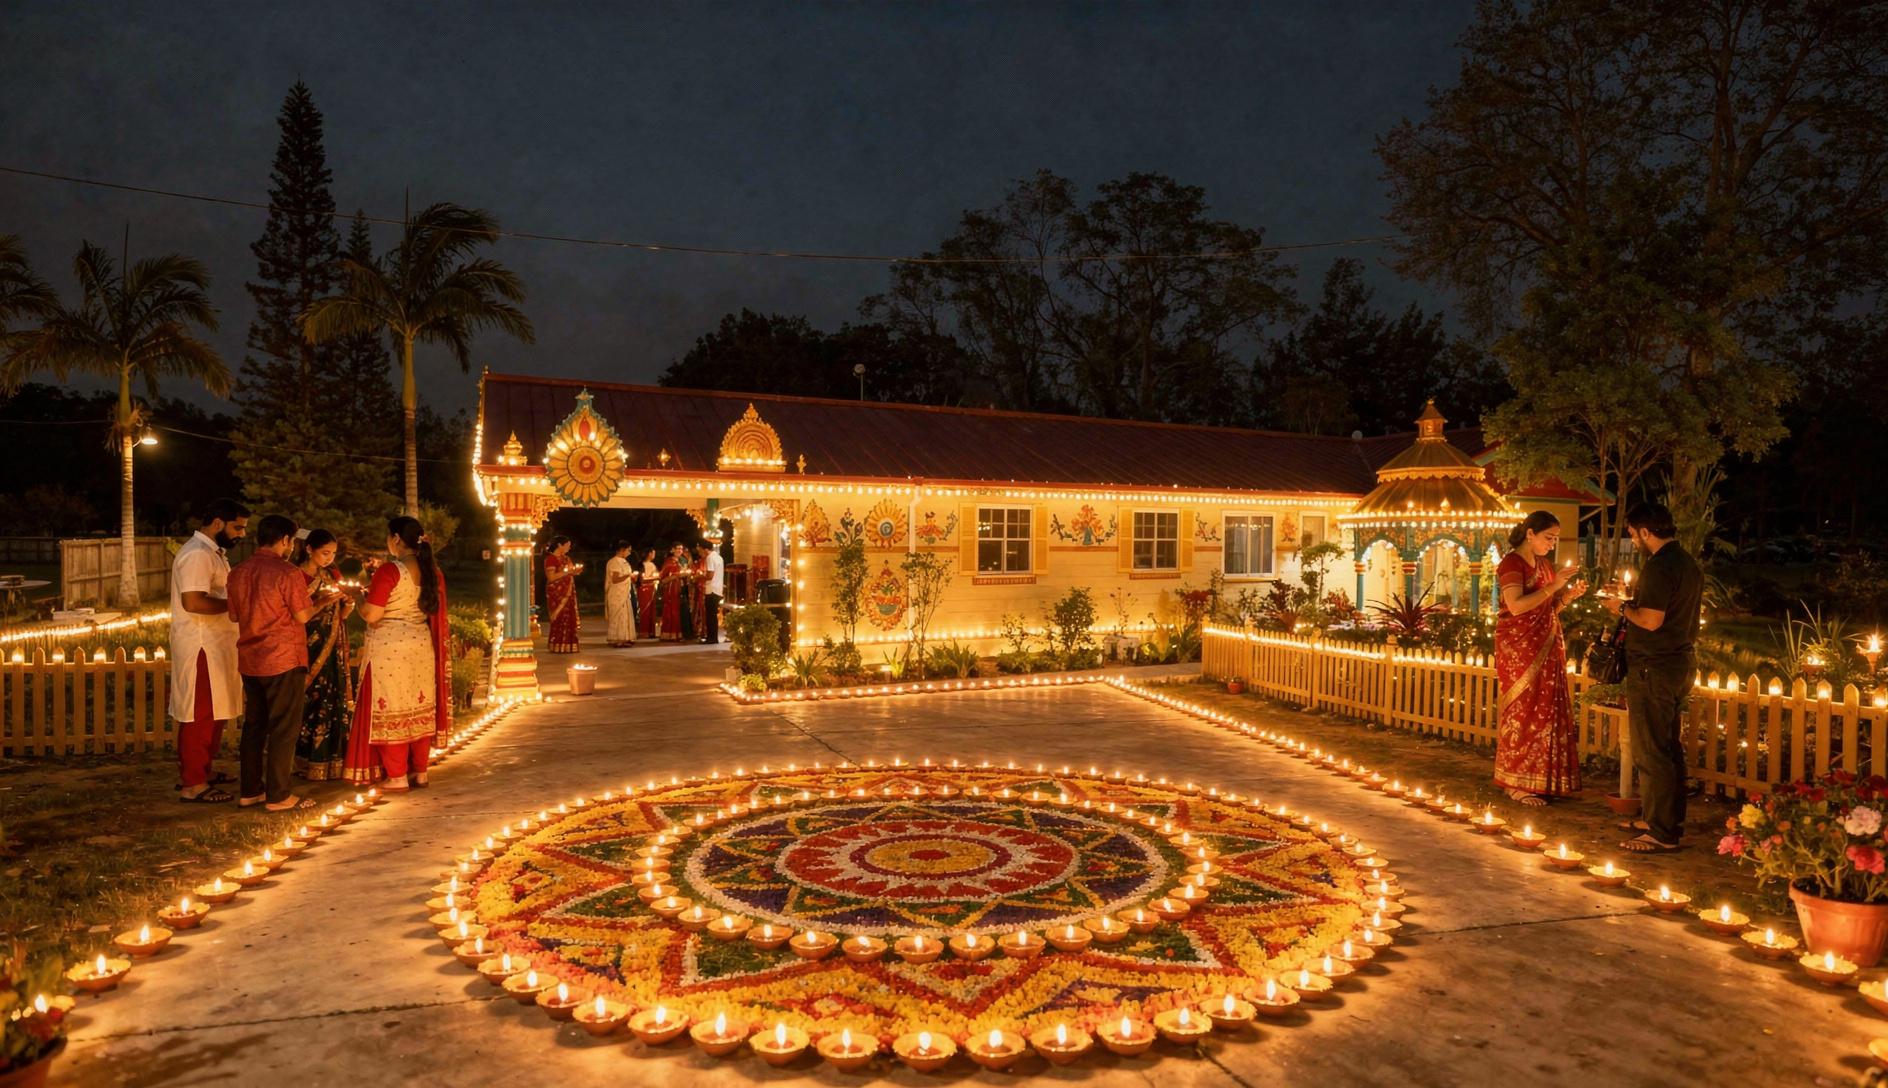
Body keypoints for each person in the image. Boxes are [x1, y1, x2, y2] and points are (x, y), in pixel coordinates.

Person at [1604, 502, 1704, 854]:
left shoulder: (1660, 566)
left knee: (1652, 749)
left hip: (1654, 665)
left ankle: (1662, 832)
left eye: (1633, 533)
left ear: (1645, 531)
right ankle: (1662, 819)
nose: (1633, 539)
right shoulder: (1687, 563)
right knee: (1668, 747)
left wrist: (1618, 605)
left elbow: (1650, 620)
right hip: (1678, 661)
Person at [343, 516, 450, 790]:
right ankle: (421, 771)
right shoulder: (432, 571)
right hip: (421, 645)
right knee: (418, 704)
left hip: (390, 647)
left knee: (392, 707)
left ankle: (397, 775)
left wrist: (356, 597)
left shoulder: (390, 570)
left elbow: (371, 614)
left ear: (397, 539)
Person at [226, 514, 323, 811]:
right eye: (291, 540)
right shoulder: (287, 573)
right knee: (283, 727)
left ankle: (250, 790)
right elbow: (303, 615)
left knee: (255, 726)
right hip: (283, 659)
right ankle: (279, 795)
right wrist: (323, 602)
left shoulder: (238, 572)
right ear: (285, 540)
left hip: (251, 659)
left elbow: (233, 615)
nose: (291, 546)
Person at [1492, 511, 1587, 806]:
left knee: (1546, 709)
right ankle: (1515, 782)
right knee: (1524, 711)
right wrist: (1554, 586)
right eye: (1548, 537)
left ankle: (1543, 779)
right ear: (1530, 533)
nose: (1552, 544)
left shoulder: (1544, 566)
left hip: (1546, 645)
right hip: (1519, 648)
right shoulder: (1512, 563)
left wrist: (1567, 597)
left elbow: (1547, 608)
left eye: (1556, 539)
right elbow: (1517, 606)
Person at [169, 498, 249, 803]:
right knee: (199, 714)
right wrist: (237, 606)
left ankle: (203, 770)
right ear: (218, 523)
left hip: (216, 644)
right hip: (201, 644)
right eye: (237, 527)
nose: (241, 533)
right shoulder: (197, 555)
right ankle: (193, 783)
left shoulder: (213, 553)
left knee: (213, 713)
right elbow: (194, 602)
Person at [292, 529, 355, 781]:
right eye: (325, 553)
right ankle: (303, 760)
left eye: (333, 554)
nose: (329, 558)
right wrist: (320, 600)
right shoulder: (296, 576)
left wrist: (347, 605)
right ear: (309, 549)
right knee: (309, 701)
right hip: (307, 645)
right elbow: (296, 614)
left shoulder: (332, 575)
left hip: (333, 646)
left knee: (332, 698)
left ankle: (331, 761)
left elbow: (341, 615)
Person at [544, 536, 581, 653]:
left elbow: (569, 573)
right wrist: (568, 572)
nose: (569, 548)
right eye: (567, 545)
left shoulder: (567, 559)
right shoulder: (551, 559)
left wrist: (574, 572)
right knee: (559, 618)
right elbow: (551, 577)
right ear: (560, 545)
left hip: (568, 592)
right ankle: (557, 644)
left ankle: (568, 645)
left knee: (569, 617)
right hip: (556, 593)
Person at [604, 539, 636, 648]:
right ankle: (616, 639)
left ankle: (625, 638)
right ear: (622, 550)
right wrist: (628, 575)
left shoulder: (624, 561)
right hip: (616, 593)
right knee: (618, 616)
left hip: (625, 593)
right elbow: (615, 579)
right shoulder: (614, 562)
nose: (630, 552)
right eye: (628, 550)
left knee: (625, 616)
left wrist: (632, 578)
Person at [697, 540, 725, 644]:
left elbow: (710, 575)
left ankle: (711, 638)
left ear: (705, 549)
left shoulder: (709, 558)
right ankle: (713, 637)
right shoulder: (719, 557)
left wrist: (699, 576)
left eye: (700, 550)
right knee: (713, 615)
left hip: (711, 589)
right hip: (717, 589)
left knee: (710, 615)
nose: (700, 553)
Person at [658, 544, 686, 642]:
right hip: (670, 590)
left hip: (677, 589)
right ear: (672, 550)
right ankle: (668, 634)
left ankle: (675, 634)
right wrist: (678, 576)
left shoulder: (680, 562)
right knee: (670, 611)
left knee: (676, 611)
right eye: (677, 548)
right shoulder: (669, 562)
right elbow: (662, 578)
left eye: (681, 549)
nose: (680, 550)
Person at [635, 548, 658, 640]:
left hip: (652, 588)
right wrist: (655, 578)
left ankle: (651, 631)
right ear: (649, 554)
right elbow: (642, 579)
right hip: (644, 589)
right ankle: (644, 631)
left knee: (652, 610)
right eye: (653, 553)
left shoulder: (652, 564)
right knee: (645, 610)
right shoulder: (642, 565)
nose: (654, 555)